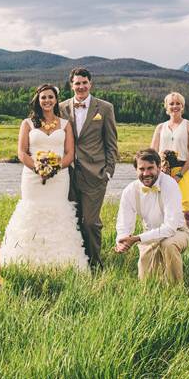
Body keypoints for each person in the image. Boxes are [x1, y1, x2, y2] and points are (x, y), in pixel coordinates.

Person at [0, 84, 89, 269]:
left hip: (59, 178)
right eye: (43, 97)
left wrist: (54, 169)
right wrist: (39, 169)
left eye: (50, 97)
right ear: (37, 100)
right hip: (32, 178)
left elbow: (69, 154)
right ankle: (25, 262)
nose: (47, 100)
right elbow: (22, 153)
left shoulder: (65, 124)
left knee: (57, 211)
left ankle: (62, 263)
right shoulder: (27, 124)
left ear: (56, 100)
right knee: (31, 210)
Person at [59, 67, 118, 269]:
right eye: (77, 83)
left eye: (84, 83)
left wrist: (108, 171)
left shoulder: (104, 108)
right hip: (67, 174)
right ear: (71, 85)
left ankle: (95, 264)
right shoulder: (61, 108)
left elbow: (111, 143)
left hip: (95, 174)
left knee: (90, 222)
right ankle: (77, 263)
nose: (81, 86)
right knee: (72, 220)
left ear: (90, 84)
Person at [115, 149, 189, 284]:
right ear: (136, 170)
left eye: (150, 168)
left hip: (177, 232)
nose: (146, 173)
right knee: (147, 283)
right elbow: (124, 223)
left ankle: (176, 289)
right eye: (141, 169)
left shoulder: (170, 184)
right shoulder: (130, 191)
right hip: (149, 235)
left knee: (167, 244)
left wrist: (138, 238)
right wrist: (122, 241)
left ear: (159, 167)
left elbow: (170, 228)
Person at [151, 91, 189, 243]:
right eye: (171, 104)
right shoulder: (160, 127)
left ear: (182, 106)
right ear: (166, 107)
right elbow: (152, 151)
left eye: (178, 103)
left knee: (187, 212)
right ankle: (166, 240)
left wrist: (180, 174)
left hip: (181, 172)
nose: (175, 106)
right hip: (162, 173)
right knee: (163, 210)